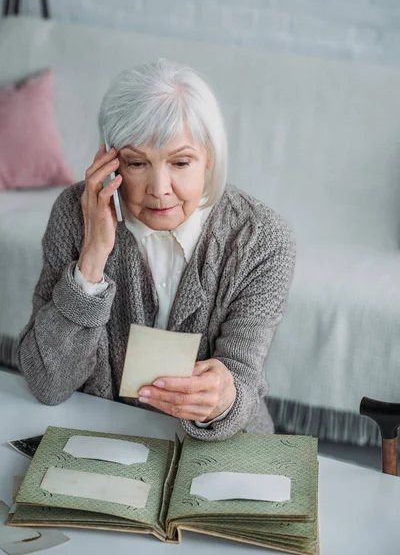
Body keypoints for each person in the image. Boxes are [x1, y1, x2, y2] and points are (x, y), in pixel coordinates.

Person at [16, 59, 296, 441]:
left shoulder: (261, 238)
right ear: (110, 161)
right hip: (101, 438)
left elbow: (241, 379)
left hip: (217, 444)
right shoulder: (75, 214)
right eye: (136, 163)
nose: (160, 188)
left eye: (181, 162)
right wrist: (92, 260)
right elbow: (48, 382)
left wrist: (224, 398)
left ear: (209, 158)